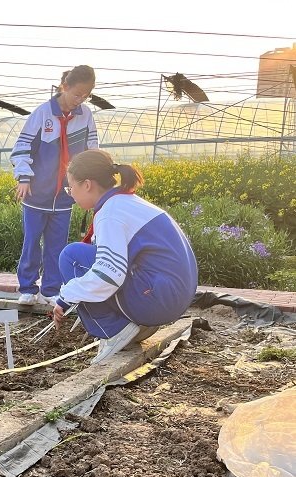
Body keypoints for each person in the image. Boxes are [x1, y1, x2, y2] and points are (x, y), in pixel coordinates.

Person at [49, 149, 198, 365]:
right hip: (171, 296)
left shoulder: (111, 213)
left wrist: (65, 296)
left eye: (70, 187)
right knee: (83, 256)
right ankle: (140, 326)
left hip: (160, 300)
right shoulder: (126, 203)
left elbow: (108, 274)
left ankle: (113, 330)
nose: (70, 193)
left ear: (87, 184)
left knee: (72, 257)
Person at [11, 65, 99, 307]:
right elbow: (21, 148)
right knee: (31, 243)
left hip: (65, 196)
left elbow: (92, 149)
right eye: (77, 94)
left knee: (56, 246)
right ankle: (28, 288)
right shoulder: (42, 114)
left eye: (86, 96)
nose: (80, 100)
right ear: (65, 87)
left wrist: (94, 181)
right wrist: (24, 178)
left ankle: (51, 289)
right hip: (36, 195)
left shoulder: (86, 116)